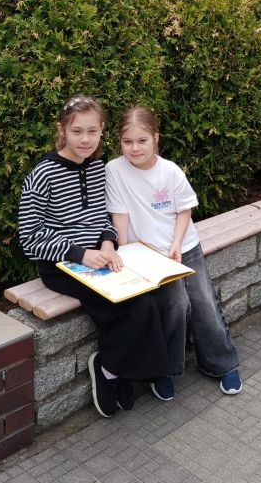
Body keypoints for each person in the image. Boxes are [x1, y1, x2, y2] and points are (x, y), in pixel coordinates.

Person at [18, 94, 187, 418]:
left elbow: (100, 218)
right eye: (77, 131)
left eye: (92, 131)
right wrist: (81, 254)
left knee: (149, 298)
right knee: (134, 307)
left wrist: (108, 243)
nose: (85, 139)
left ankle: (114, 367)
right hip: (61, 264)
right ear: (62, 130)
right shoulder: (43, 174)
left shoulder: (97, 168)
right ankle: (111, 370)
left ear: (101, 131)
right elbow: (30, 237)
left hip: (100, 257)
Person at [105, 106, 242, 397]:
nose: (135, 148)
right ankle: (165, 370)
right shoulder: (114, 170)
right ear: (119, 141)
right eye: (128, 141)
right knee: (176, 305)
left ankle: (222, 363)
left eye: (142, 140)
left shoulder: (169, 171)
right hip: (147, 255)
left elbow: (184, 210)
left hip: (183, 247)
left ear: (155, 138)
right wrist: (126, 253)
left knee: (203, 301)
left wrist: (177, 244)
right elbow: (120, 215)